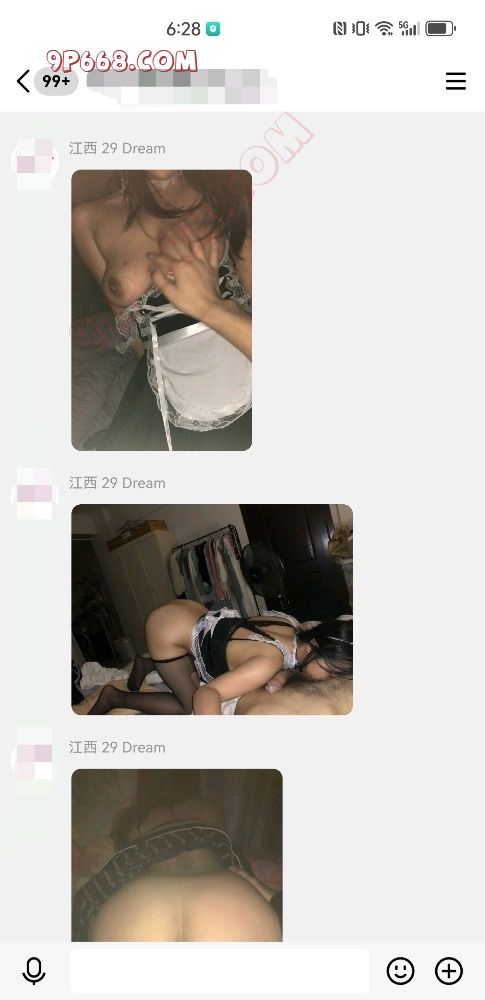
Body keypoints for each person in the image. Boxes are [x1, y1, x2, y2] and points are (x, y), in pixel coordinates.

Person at [72, 169, 252, 451]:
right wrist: (151, 389)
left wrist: (209, 304)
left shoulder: (229, 192)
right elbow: (129, 325)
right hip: (162, 395)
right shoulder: (86, 218)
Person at [87, 599, 353, 716]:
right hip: (167, 630)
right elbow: (208, 693)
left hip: (190, 611)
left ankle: (147, 662)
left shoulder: (289, 624)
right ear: (313, 646)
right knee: (186, 707)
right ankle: (114, 696)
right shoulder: (268, 662)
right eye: (331, 670)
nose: (329, 679)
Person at [72, 795, 282, 942]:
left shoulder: (132, 826)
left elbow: (90, 893)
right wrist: (276, 900)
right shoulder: (206, 814)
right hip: (228, 897)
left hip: (135, 904)